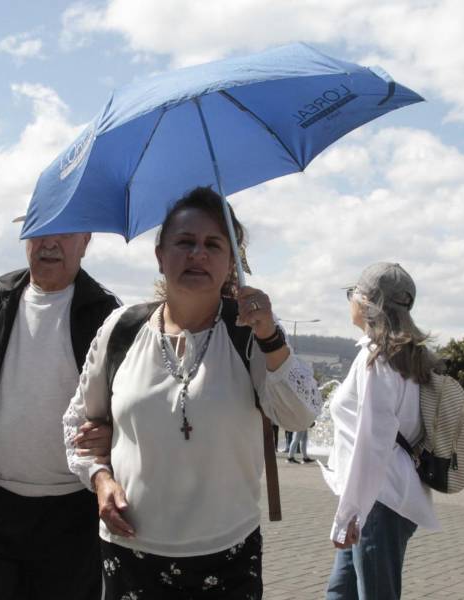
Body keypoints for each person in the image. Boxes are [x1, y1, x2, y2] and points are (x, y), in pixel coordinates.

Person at [62, 187, 321, 599]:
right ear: (161, 255)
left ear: (231, 261)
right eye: (185, 243)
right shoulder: (121, 330)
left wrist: (271, 337)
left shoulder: (250, 335)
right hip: (130, 553)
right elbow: (79, 426)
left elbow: (301, 415)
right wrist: (100, 479)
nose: (197, 254)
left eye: (212, 244)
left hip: (227, 556)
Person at [0, 230, 121, 599]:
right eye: (39, 233)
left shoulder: (106, 312)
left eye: (64, 235)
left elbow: (131, 402)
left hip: (73, 512)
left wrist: (113, 433)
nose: (49, 244)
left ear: (85, 241)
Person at [323, 262, 441, 600]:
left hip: (377, 499)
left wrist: (348, 514)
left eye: (352, 294)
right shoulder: (409, 357)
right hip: (383, 496)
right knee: (339, 592)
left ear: (366, 302)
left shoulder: (378, 358)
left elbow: (372, 442)